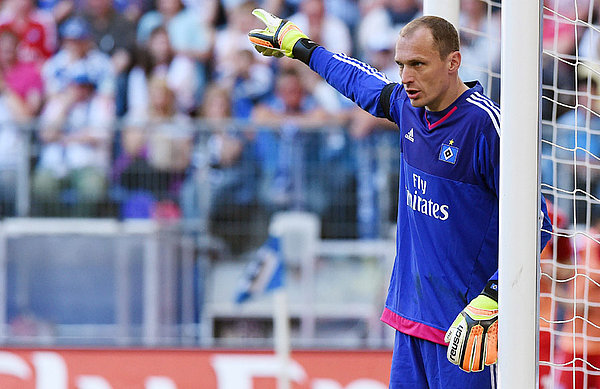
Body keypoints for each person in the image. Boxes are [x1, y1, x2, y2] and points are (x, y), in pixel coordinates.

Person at [247, 9, 553, 388]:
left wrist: (494, 296)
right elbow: (358, 80)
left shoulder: (486, 126)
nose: (406, 77)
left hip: (465, 331)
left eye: (419, 64)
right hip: (410, 320)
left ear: (453, 62)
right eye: (401, 65)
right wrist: (302, 48)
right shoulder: (408, 107)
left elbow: (537, 223)